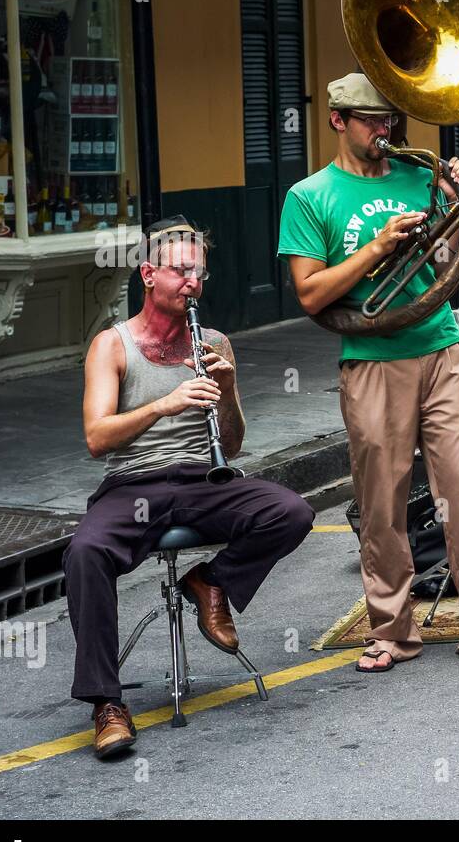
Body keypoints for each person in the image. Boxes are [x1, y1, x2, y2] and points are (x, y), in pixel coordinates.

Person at [278, 73, 459, 672]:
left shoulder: (419, 177)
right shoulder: (310, 196)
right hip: (371, 361)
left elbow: (448, 263)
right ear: (338, 120)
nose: (384, 131)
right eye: (370, 121)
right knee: (381, 499)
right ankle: (391, 630)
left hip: (442, 346)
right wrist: (377, 248)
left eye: (390, 121)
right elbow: (310, 295)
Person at [65, 216, 315, 759]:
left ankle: (210, 582)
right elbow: (95, 438)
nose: (192, 284)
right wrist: (163, 403)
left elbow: (235, 442)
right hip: (133, 485)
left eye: (199, 274)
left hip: (203, 480)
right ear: (149, 274)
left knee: (291, 510)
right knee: (84, 553)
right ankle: (106, 704)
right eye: (181, 272)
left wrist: (226, 390)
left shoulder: (215, 341)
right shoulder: (113, 345)